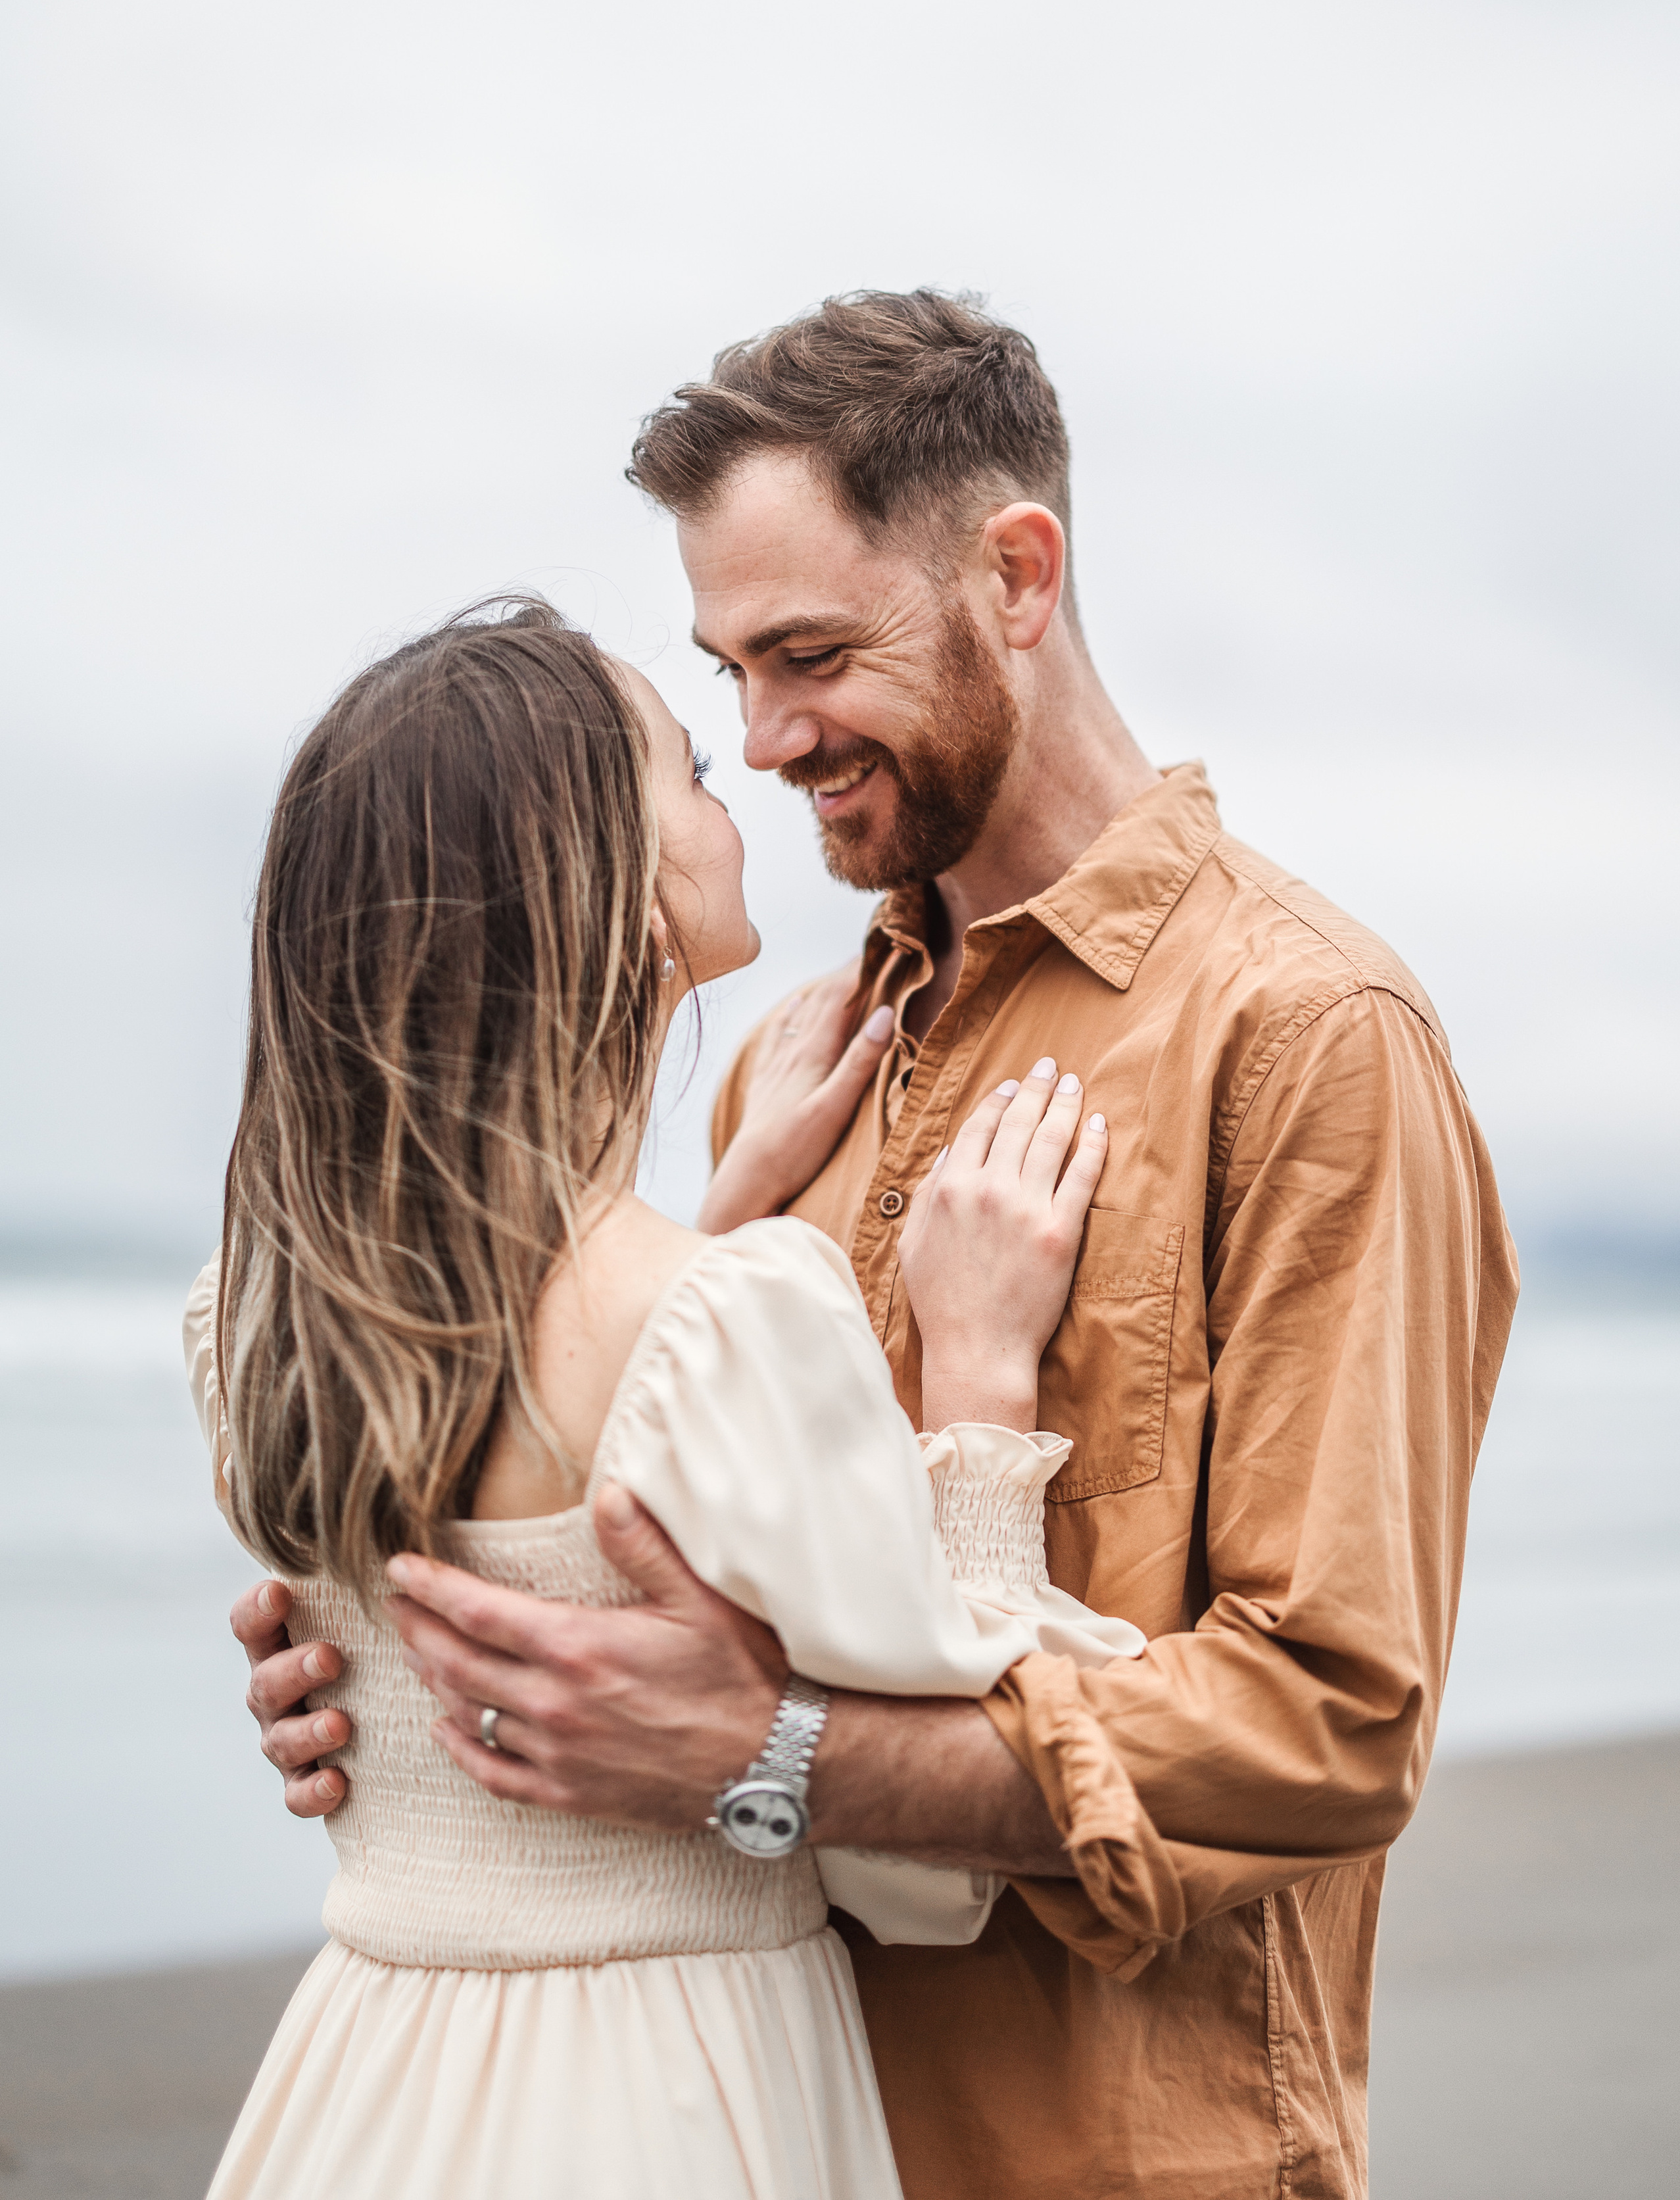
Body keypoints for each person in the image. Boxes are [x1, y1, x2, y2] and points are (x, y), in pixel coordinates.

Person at [232, 293, 1520, 2199]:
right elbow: (637, 1474)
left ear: (1016, 574)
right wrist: (402, 1637)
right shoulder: (794, 1055)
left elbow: (1329, 1723)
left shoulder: (1310, 1038)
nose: (760, 739)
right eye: (728, 670)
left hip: (1107, 2154)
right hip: (748, 2124)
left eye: (811, 653)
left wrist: (775, 1753)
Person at [185, 598, 1144, 2200]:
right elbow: (932, 1857)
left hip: (364, 2069)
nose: (745, 780)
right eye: (690, 768)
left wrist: (717, 1203)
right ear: (618, 894)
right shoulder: (725, 1310)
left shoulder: (253, 1312)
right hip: (667, 2087)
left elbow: (529, 1389)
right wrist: (976, 1372)